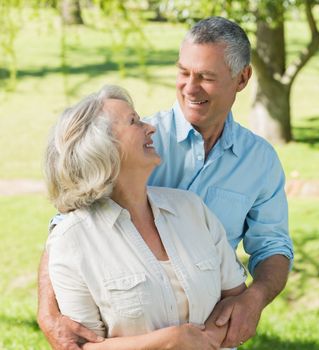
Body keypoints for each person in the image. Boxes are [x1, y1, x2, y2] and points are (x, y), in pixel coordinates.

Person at [38, 16, 294, 349]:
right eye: (184, 72)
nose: (190, 87)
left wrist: (254, 298)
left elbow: (272, 245)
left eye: (205, 77)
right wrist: (47, 309)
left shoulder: (258, 161)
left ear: (242, 78)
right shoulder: (138, 142)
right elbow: (70, 228)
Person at [44, 85, 247, 349]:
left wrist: (199, 341)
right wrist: (172, 341)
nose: (150, 127)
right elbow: (81, 345)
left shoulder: (191, 208)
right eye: (134, 121)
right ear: (101, 147)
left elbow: (236, 301)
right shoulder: (71, 240)